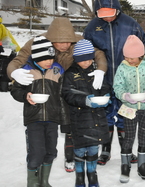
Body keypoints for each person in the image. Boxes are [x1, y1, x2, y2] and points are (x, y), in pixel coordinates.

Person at [7, 17, 108, 173]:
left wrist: (101, 70)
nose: (65, 45)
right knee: (52, 127)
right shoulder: (38, 42)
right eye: (60, 42)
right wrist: (13, 72)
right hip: (50, 86)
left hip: (71, 85)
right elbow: (18, 59)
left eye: (68, 41)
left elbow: (98, 53)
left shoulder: (78, 41)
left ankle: (70, 157)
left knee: (71, 120)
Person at [83, 0, 145, 165]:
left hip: (126, 82)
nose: (107, 17)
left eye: (111, 13)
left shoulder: (131, 25)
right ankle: (105, 151)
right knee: (104, 116)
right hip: (102, 81)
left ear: (118, 9)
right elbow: (85, 53)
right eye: (103, 13)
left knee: (126, 115)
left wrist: (143, 73)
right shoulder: (92, 28)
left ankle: (126, 149)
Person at [10, 36, 68, 187]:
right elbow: (15, 89)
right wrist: (25, 95)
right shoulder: (26, 70)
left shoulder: (57, 70)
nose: (49, 61)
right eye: (45, 58)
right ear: (36, 57)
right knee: (36, 152)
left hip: (52, 118)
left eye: (51, 58)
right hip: (34, 118)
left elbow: (62, 95)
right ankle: (33, 182)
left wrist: (64, 119)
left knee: (51, 151)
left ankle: (44, 181)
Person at [113, 35, 145, 183]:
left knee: (143, 136)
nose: (129, 60)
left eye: (132, 58)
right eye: (126, 57)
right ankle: (125, 166)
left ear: (140, 55)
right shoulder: (122, 67)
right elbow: (117, 86)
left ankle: (142, 165)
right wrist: (124, 96)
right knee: (128, 137)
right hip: (129, 108)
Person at [62, 39, 111, 187]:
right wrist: (85, 100)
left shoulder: (96, 71)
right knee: (80, 148)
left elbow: (104, 87)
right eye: (84, 60)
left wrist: (106, 96)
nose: (87, 62)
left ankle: (92, 174)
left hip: (96, 116)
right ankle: (79, 176)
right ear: (77, 59)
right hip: (79, 118)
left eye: (90, 59)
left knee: (93, 147)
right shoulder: (70, 74)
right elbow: (67, 94)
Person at [0, 16, 20, 92]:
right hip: (8, 49)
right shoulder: (1, 26)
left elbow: (6, 40)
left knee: (5, 67)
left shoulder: (1, 27)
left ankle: (4, 86)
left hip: (9, 49)